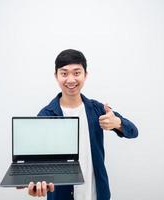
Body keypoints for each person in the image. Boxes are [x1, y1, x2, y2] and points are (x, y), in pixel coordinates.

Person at [26, 49, 138, 200]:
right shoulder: (46, 115)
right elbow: (38, 161)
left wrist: (117, 122)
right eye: (64, 73)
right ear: (56, 76)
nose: (71, 79)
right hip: (61, 195)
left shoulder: (97, 109)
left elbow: (133, 131)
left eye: (77, 73)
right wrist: (35, 184)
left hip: (97, 194)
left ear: (85, 75)